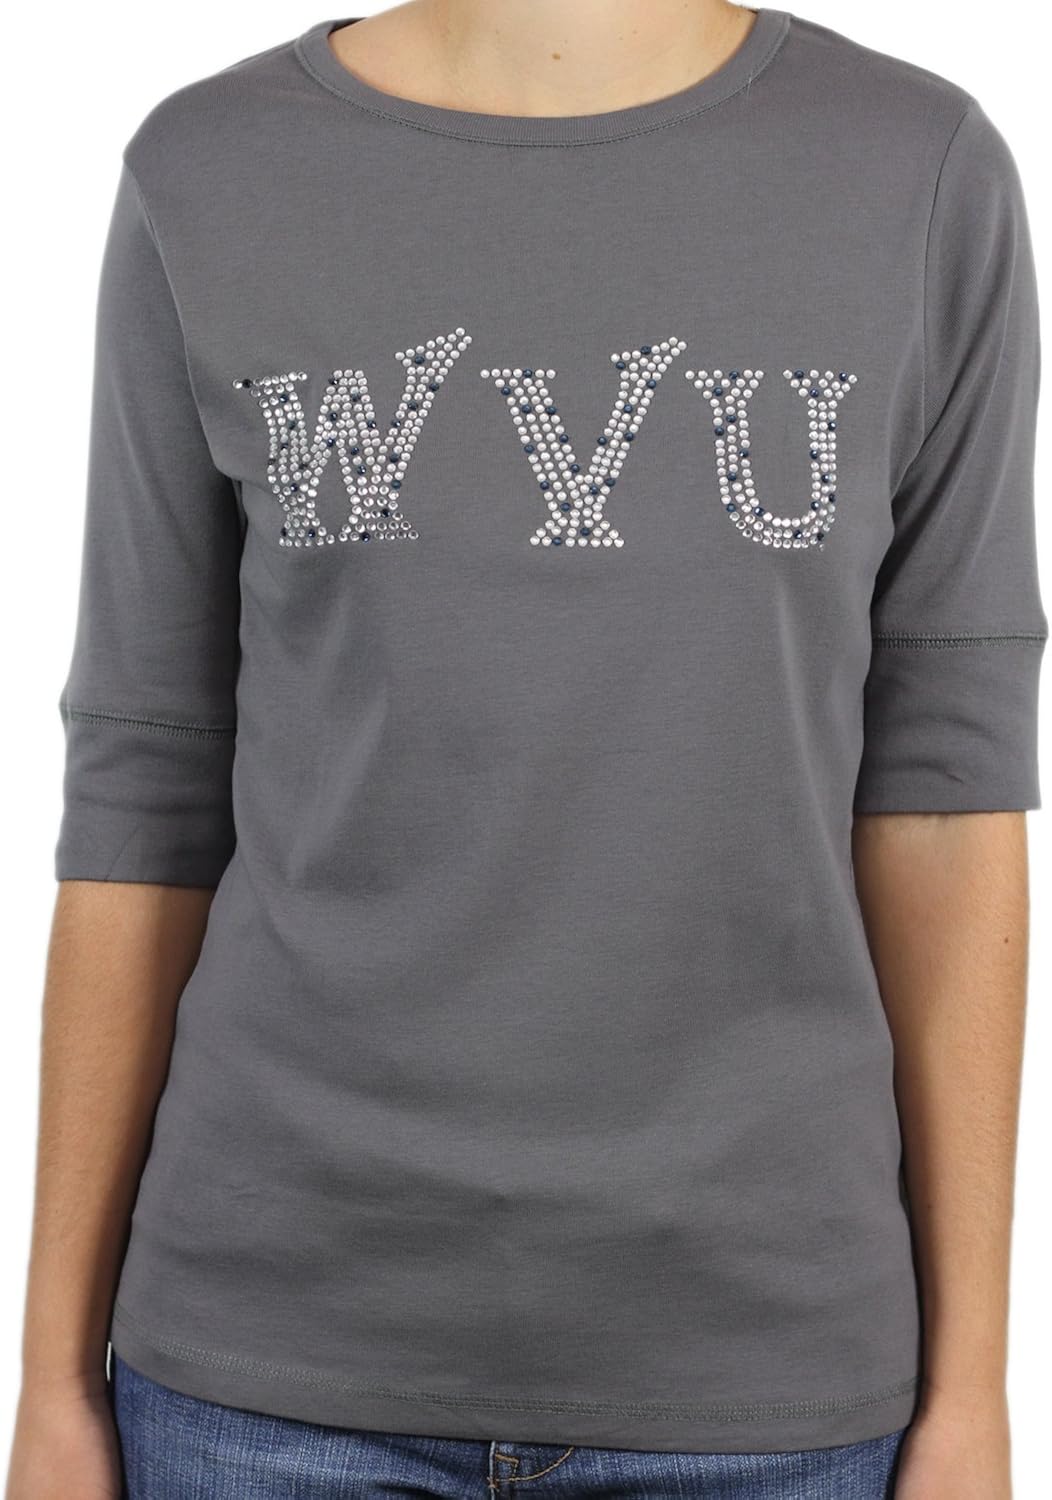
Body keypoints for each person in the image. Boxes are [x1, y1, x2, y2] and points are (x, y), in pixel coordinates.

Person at [5, 2, 1046, 1497]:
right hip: (269, 1375)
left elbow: (948, 792)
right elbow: (143, 785)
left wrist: (974, 1393)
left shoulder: (916, 167)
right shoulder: (212, 168)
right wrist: (48, 1380)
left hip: (767, 1379)